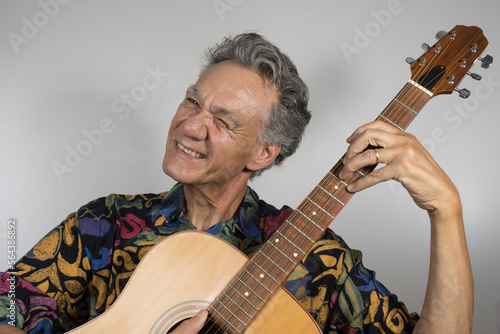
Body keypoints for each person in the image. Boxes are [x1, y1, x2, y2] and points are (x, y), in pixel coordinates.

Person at [0, 33, 473, 333]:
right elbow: (7, 306)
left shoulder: (318, 259)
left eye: (223, 121)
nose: (190, 126)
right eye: (192, 102)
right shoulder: (104, 222)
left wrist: (446, 211)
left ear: (265, 152)